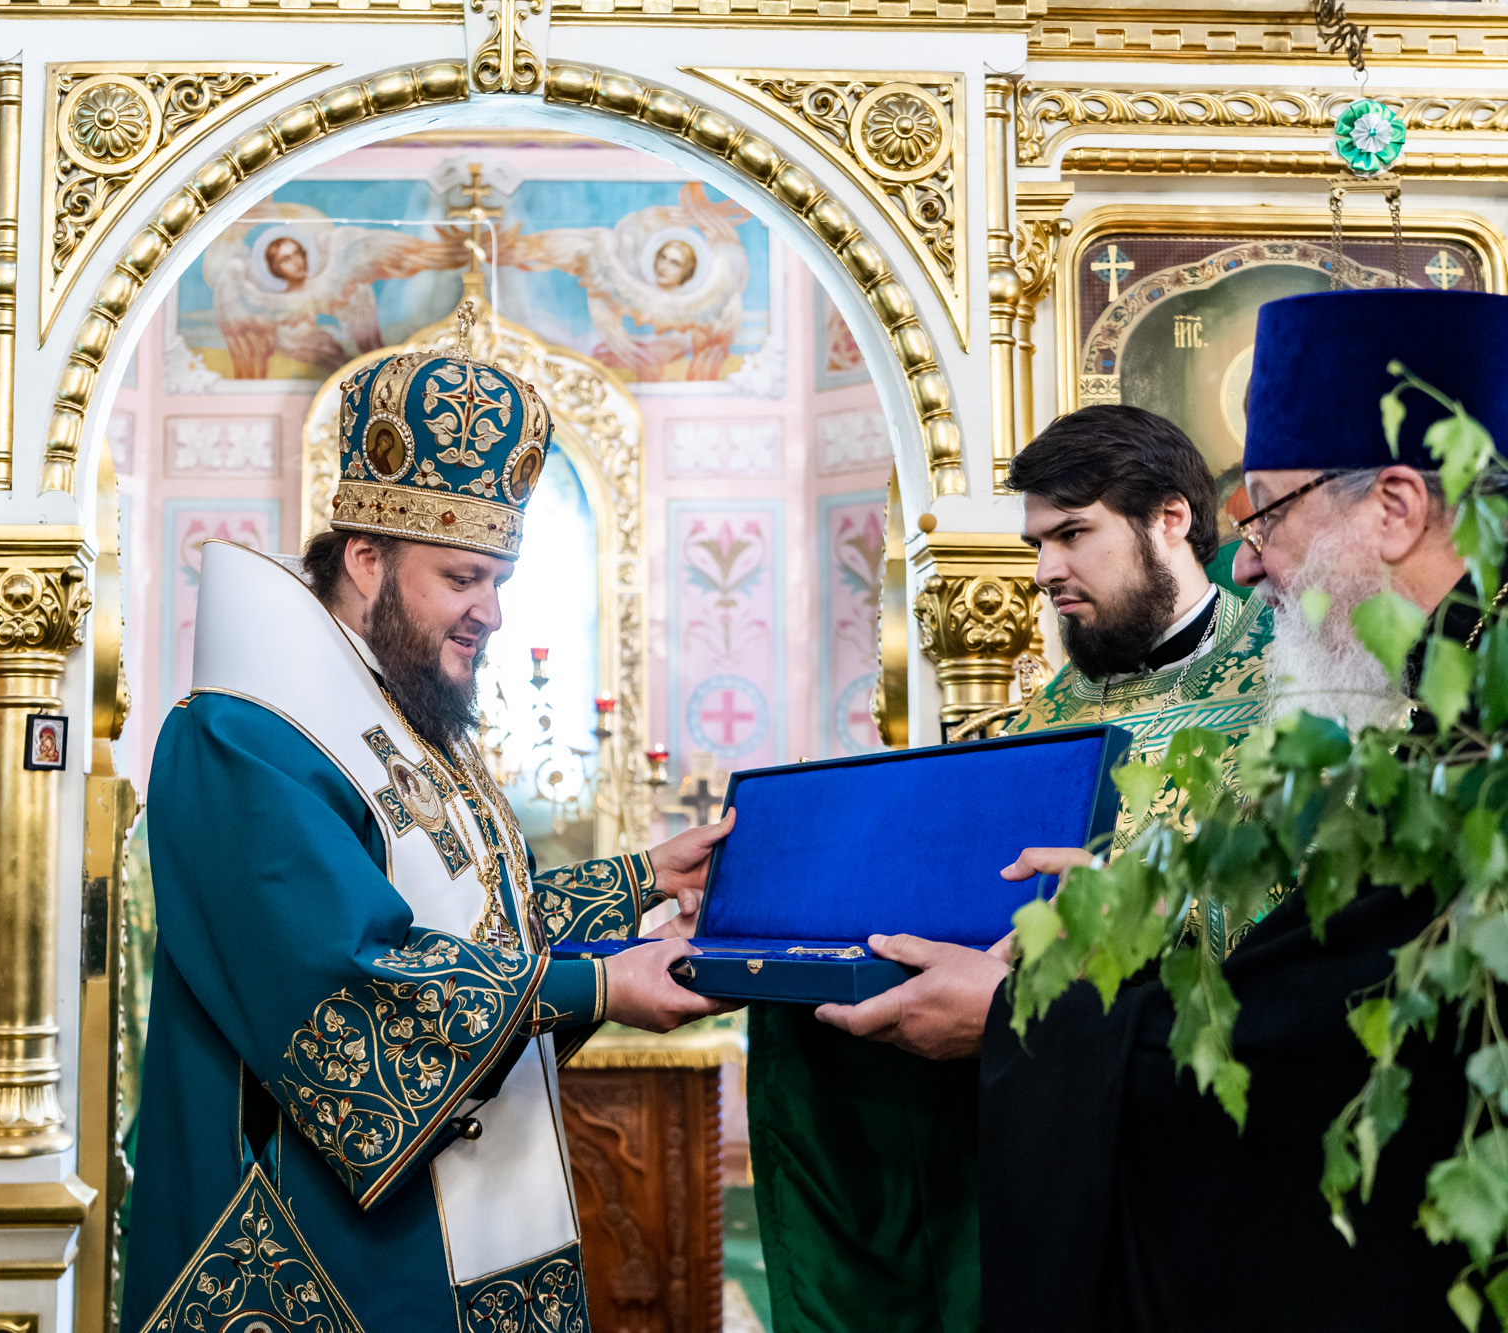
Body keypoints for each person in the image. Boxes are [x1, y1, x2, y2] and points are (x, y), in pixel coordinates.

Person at [826, 288, 1503, 1332]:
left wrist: (1016, 1021)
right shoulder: (1447, 690)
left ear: (1395, 507)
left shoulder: (1473, 723)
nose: (1248, 559)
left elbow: (1324, 1048)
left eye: (1268, 510)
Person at [121, 328, 735, 1332]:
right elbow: (343, 984)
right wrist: (598, 982)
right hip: (314, 1245)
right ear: (366, 557)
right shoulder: (242, 734)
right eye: (462, 578)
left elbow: (468, 922)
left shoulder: (399, 714)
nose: (490, 611)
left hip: (464, 1205)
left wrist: (640, 879)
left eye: (498, 579)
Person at [748, 405, 1273, 1333]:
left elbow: (1321, 924)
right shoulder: (1046, 718)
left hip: (1205, 1132)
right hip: (1053, 1135)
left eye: (1074, 534)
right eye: (1038, 542)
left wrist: (1150, 914)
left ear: (1171, 519)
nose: (1042, 574)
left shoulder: (1290, 686)